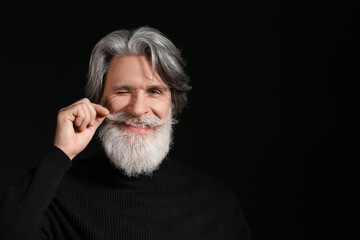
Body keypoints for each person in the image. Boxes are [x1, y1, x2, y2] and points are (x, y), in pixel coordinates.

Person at [0, 26, 250, 239]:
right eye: (122, 92)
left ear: (172, 103)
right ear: (99, 101)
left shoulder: (215, 201)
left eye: (154, 91)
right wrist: (61, 153)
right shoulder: (56, 194)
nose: (138, 109)